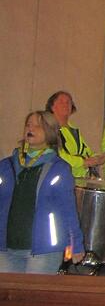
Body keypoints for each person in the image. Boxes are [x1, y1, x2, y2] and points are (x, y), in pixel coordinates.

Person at [0, 111, 85, 274]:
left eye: (37, 125)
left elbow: (68, 209)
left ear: (50, 131)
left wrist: (76, 244)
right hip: (6, 247)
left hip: (44, 250)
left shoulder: (59, 168)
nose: (31, 128)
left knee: (34, 298)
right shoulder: (6, 166)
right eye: (28, 124)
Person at [46, 91, 105, 178]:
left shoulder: (74, 130)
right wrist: (83, 162)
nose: (66, 105)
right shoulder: (48, 128)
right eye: (61, 102)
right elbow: (54, 154)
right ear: (52, 107)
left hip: (76, 178)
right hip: (58, 177)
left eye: (69, 102)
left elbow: (86, 152)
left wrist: (98, 158)